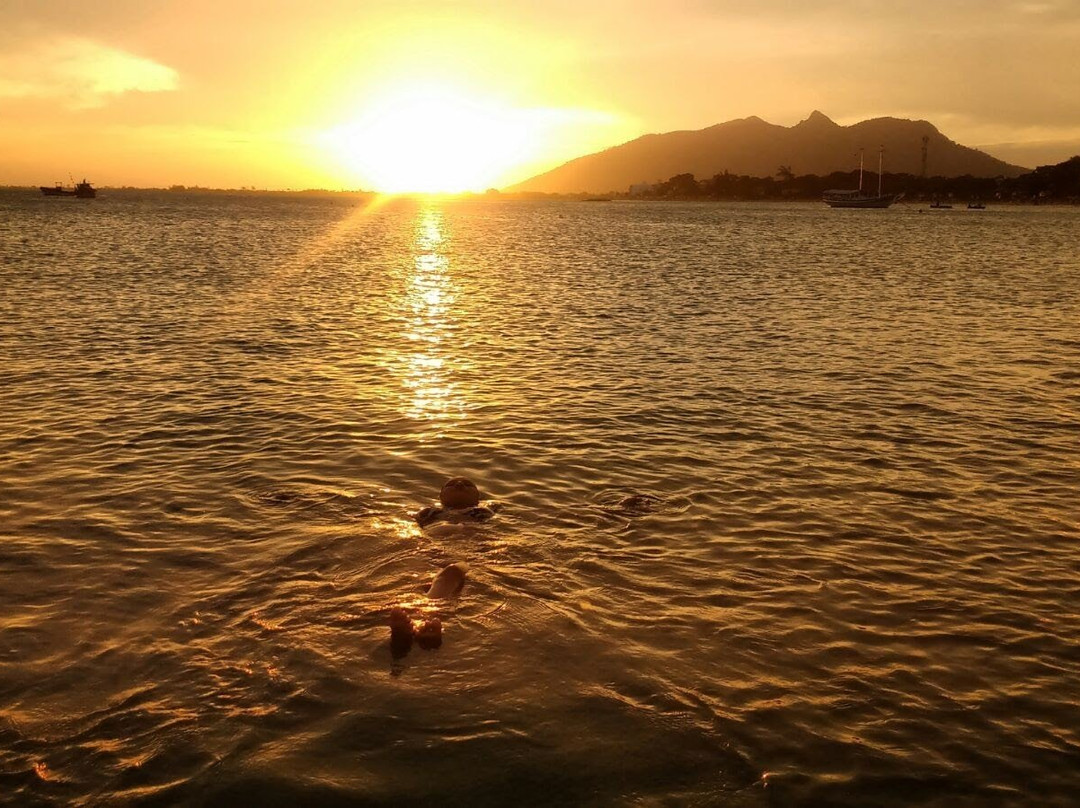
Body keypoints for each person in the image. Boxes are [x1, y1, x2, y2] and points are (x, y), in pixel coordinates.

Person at [414, 477, 497, 528]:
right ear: (441, 496)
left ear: (477, 498)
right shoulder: (429, 512)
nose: (459, 484)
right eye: (451, 485)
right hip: (437, 537)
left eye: (468, 485)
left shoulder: (482, 511)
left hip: (469, 535)